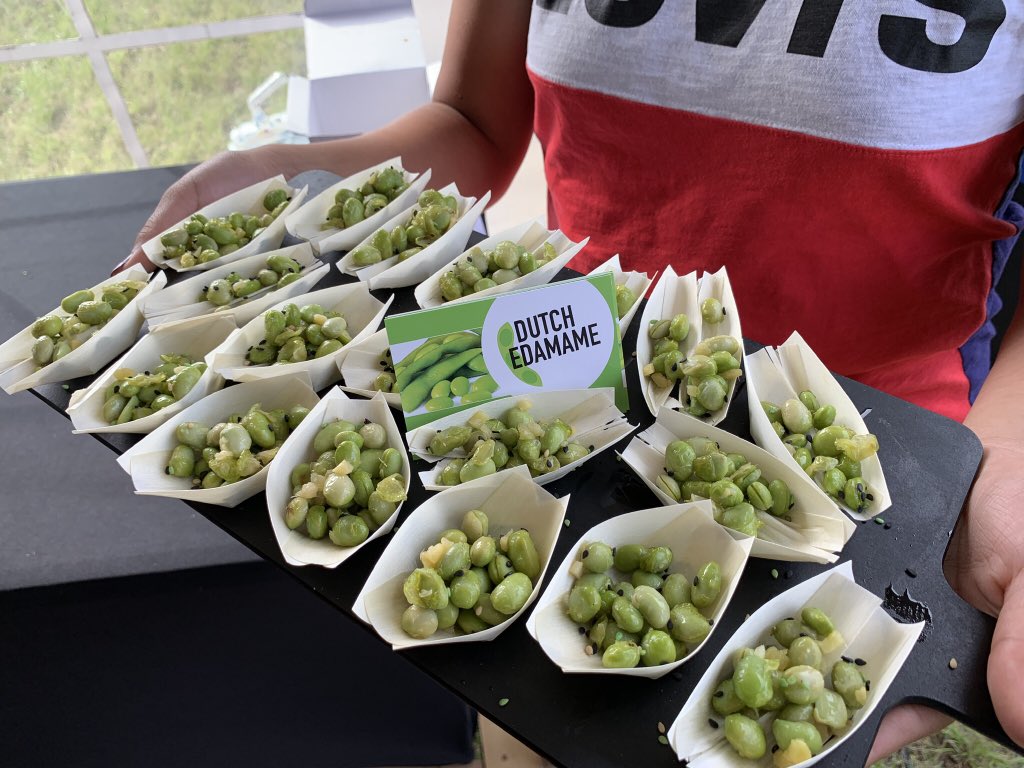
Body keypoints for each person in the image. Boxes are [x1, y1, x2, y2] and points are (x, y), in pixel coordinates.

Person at [118, 2, 1024, 761]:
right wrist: (303, 177)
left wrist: (1007, 460)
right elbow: (471, 124)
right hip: (560, 403)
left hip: (869, 477)